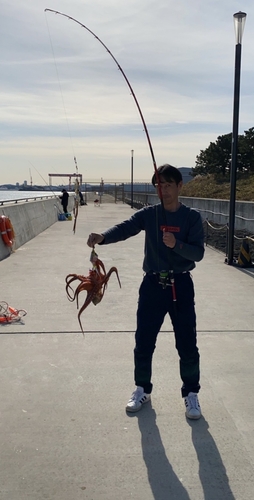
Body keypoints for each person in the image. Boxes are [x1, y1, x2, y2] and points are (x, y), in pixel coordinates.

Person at [87, 164, 205, 419]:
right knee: (143, 342)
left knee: (187, 344)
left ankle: (191, 394)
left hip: (181, 285)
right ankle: (142, 388)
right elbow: (126, 227)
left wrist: (177, 245)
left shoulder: (191, 218)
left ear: (179, 186)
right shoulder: (149, 214)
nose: (162, 190)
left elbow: (199, 253)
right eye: (158, 185)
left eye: (168, 185)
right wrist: (103, 237)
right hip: (152, 285)